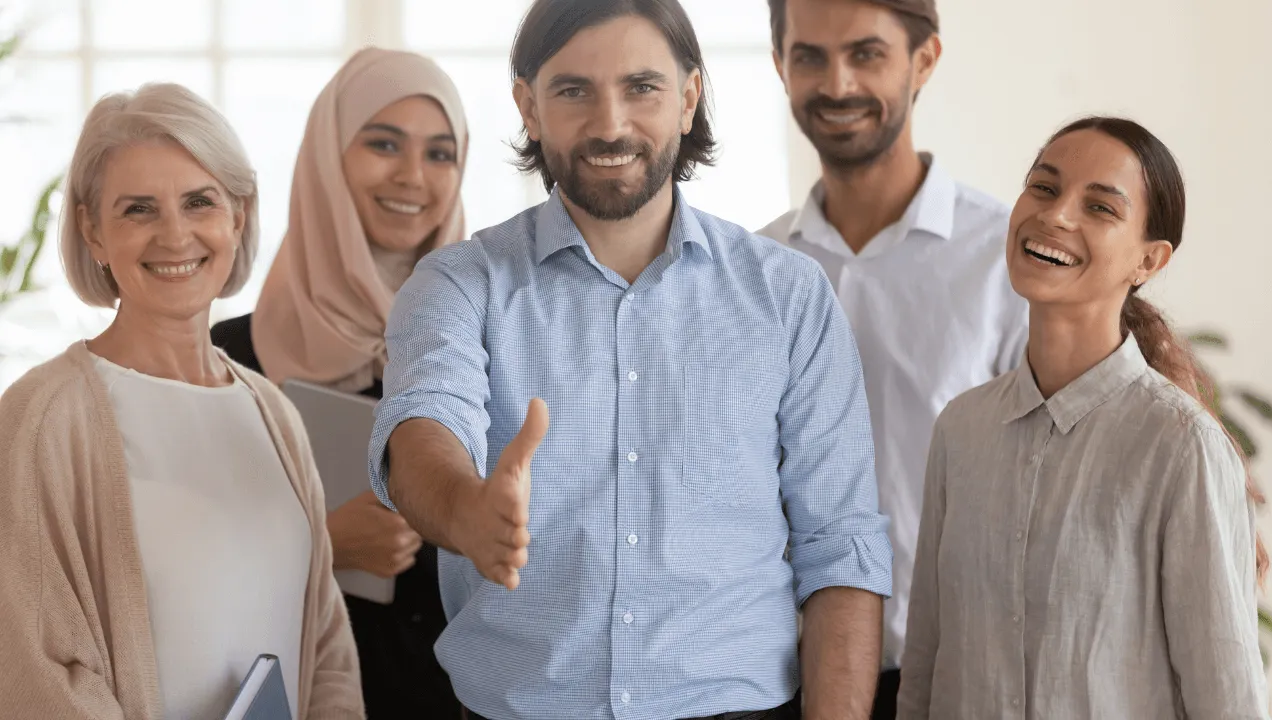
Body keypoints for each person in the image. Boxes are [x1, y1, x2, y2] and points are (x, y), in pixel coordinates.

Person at [366, 0, 894, 718]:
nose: (610, 125)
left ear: (688, 98)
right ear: (529, 105)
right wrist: (465, 510)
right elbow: (422, 426)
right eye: (573, 91)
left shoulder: (789, 295)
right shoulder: (458, 284)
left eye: (641, 87)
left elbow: (841, 547)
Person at [0, 83, 363, 719]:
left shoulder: (273, 414)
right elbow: (33, 669)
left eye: (200, 202)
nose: (175, 236)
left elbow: (326, 640)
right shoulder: (42, 419)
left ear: (237, 217)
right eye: (138, 209)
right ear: (92, 229)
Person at [897, 116, 1271, 718]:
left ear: (1148, 260)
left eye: (1100, 207)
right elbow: (925, 670)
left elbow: (1228, 700)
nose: (1057, 215)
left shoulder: (1180, 446)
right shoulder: (960, 430)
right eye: (1043, 188)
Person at [758, 1, 1028, 714]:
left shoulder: (1007, 260)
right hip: (782, 683)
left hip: (963, 678)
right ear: (780, 64)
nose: (837, 83)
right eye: (809, 55)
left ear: (925, 60)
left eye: (866, 54)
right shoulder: (751, 272)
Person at [211, 47, 468, 717]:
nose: (413, 175)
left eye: (441, 154)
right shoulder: (225, 358)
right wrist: (318, 546)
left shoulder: (484, 346)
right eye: (384, 143)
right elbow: (165, 568)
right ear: (329, 158)